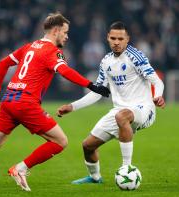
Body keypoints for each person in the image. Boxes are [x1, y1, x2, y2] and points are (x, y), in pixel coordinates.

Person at [0, 12, 110, 192]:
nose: (67, 36)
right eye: (65, 32)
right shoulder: (53, 51)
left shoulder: (30, 47)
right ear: (56, 30)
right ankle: (21, 169)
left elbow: (3, 63)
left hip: (9, 100)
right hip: (25, 103)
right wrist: (91, 85)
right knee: (60, 141)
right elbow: (65, 72)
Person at [57, 21, 165, 184]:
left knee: (122, 116)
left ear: (127, 39)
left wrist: (158, 95)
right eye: (113, 38)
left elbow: (157, 81)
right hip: (120, 112)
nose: (116, 42)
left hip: (144, 108)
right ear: (107, 38)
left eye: (120, 39)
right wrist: (72, 106)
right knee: (88, 146)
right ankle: (95, 178)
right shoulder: (106, 62)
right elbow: (97, 93)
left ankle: (126, 169)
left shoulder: (136, 57)